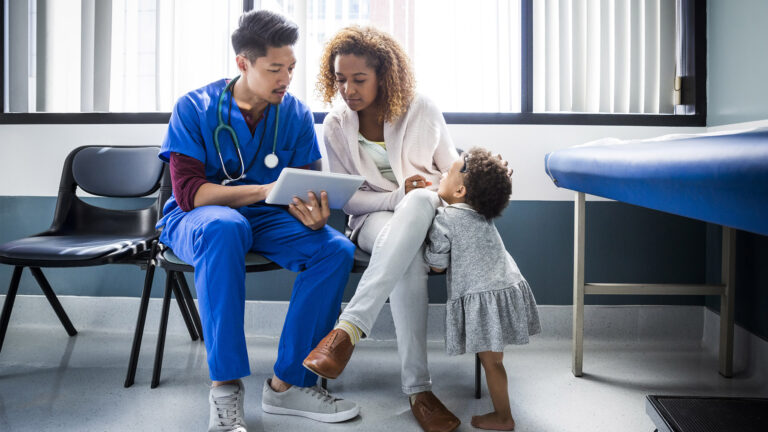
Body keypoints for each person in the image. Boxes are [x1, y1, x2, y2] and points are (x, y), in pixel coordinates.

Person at [156, 10, 359, 432]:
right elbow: (190, 193)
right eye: (274, 69)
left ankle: (287, 386)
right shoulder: (195, 107)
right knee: (225, 227)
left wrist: (314, 210)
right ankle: (225, 388)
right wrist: (263, 192)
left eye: (291, 68)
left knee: (334, 249)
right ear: (243, 64)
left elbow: (309, 184)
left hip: (267, 219)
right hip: (199, 219)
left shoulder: (296, 115)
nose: (286, 78)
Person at [301, 26, 461, 432]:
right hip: (372, 219)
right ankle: (419, 391)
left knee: (422, 199)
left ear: (383, 76)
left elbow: (452, 173)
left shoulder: (421, 108)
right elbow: (348, 198)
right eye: (340, 79)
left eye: (359, 79)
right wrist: (396, 198)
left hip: (429, 214)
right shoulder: (336, 124)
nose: (347, 90)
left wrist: (425, 193)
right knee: (406, 258)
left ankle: (347, 330)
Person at [425, 148, 541, 431]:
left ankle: (504, 417)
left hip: (484, 294)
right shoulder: (482, 211)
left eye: (447, 173)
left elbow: (437, 265)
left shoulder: (446, 218)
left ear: (461, 189)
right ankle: (503, 414)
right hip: (505, 286)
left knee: (492, 363)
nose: (441, 174)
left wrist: (425, 246)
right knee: (494, 361)